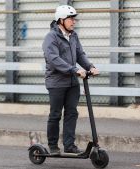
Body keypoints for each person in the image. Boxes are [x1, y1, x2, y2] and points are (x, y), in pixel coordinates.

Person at [42, 5, 99, 154]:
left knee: (72, 113)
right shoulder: (51, 37)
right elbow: (54, 59)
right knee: (55, 114)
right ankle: (53, 146)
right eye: (70, 19)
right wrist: (74, 70)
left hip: (72, 82)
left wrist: (90, 66)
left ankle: (69, 146)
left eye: (74, 19)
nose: (73, 22)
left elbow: (80, 54)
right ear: (61, 20)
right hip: (56, 83)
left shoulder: (73, 36)